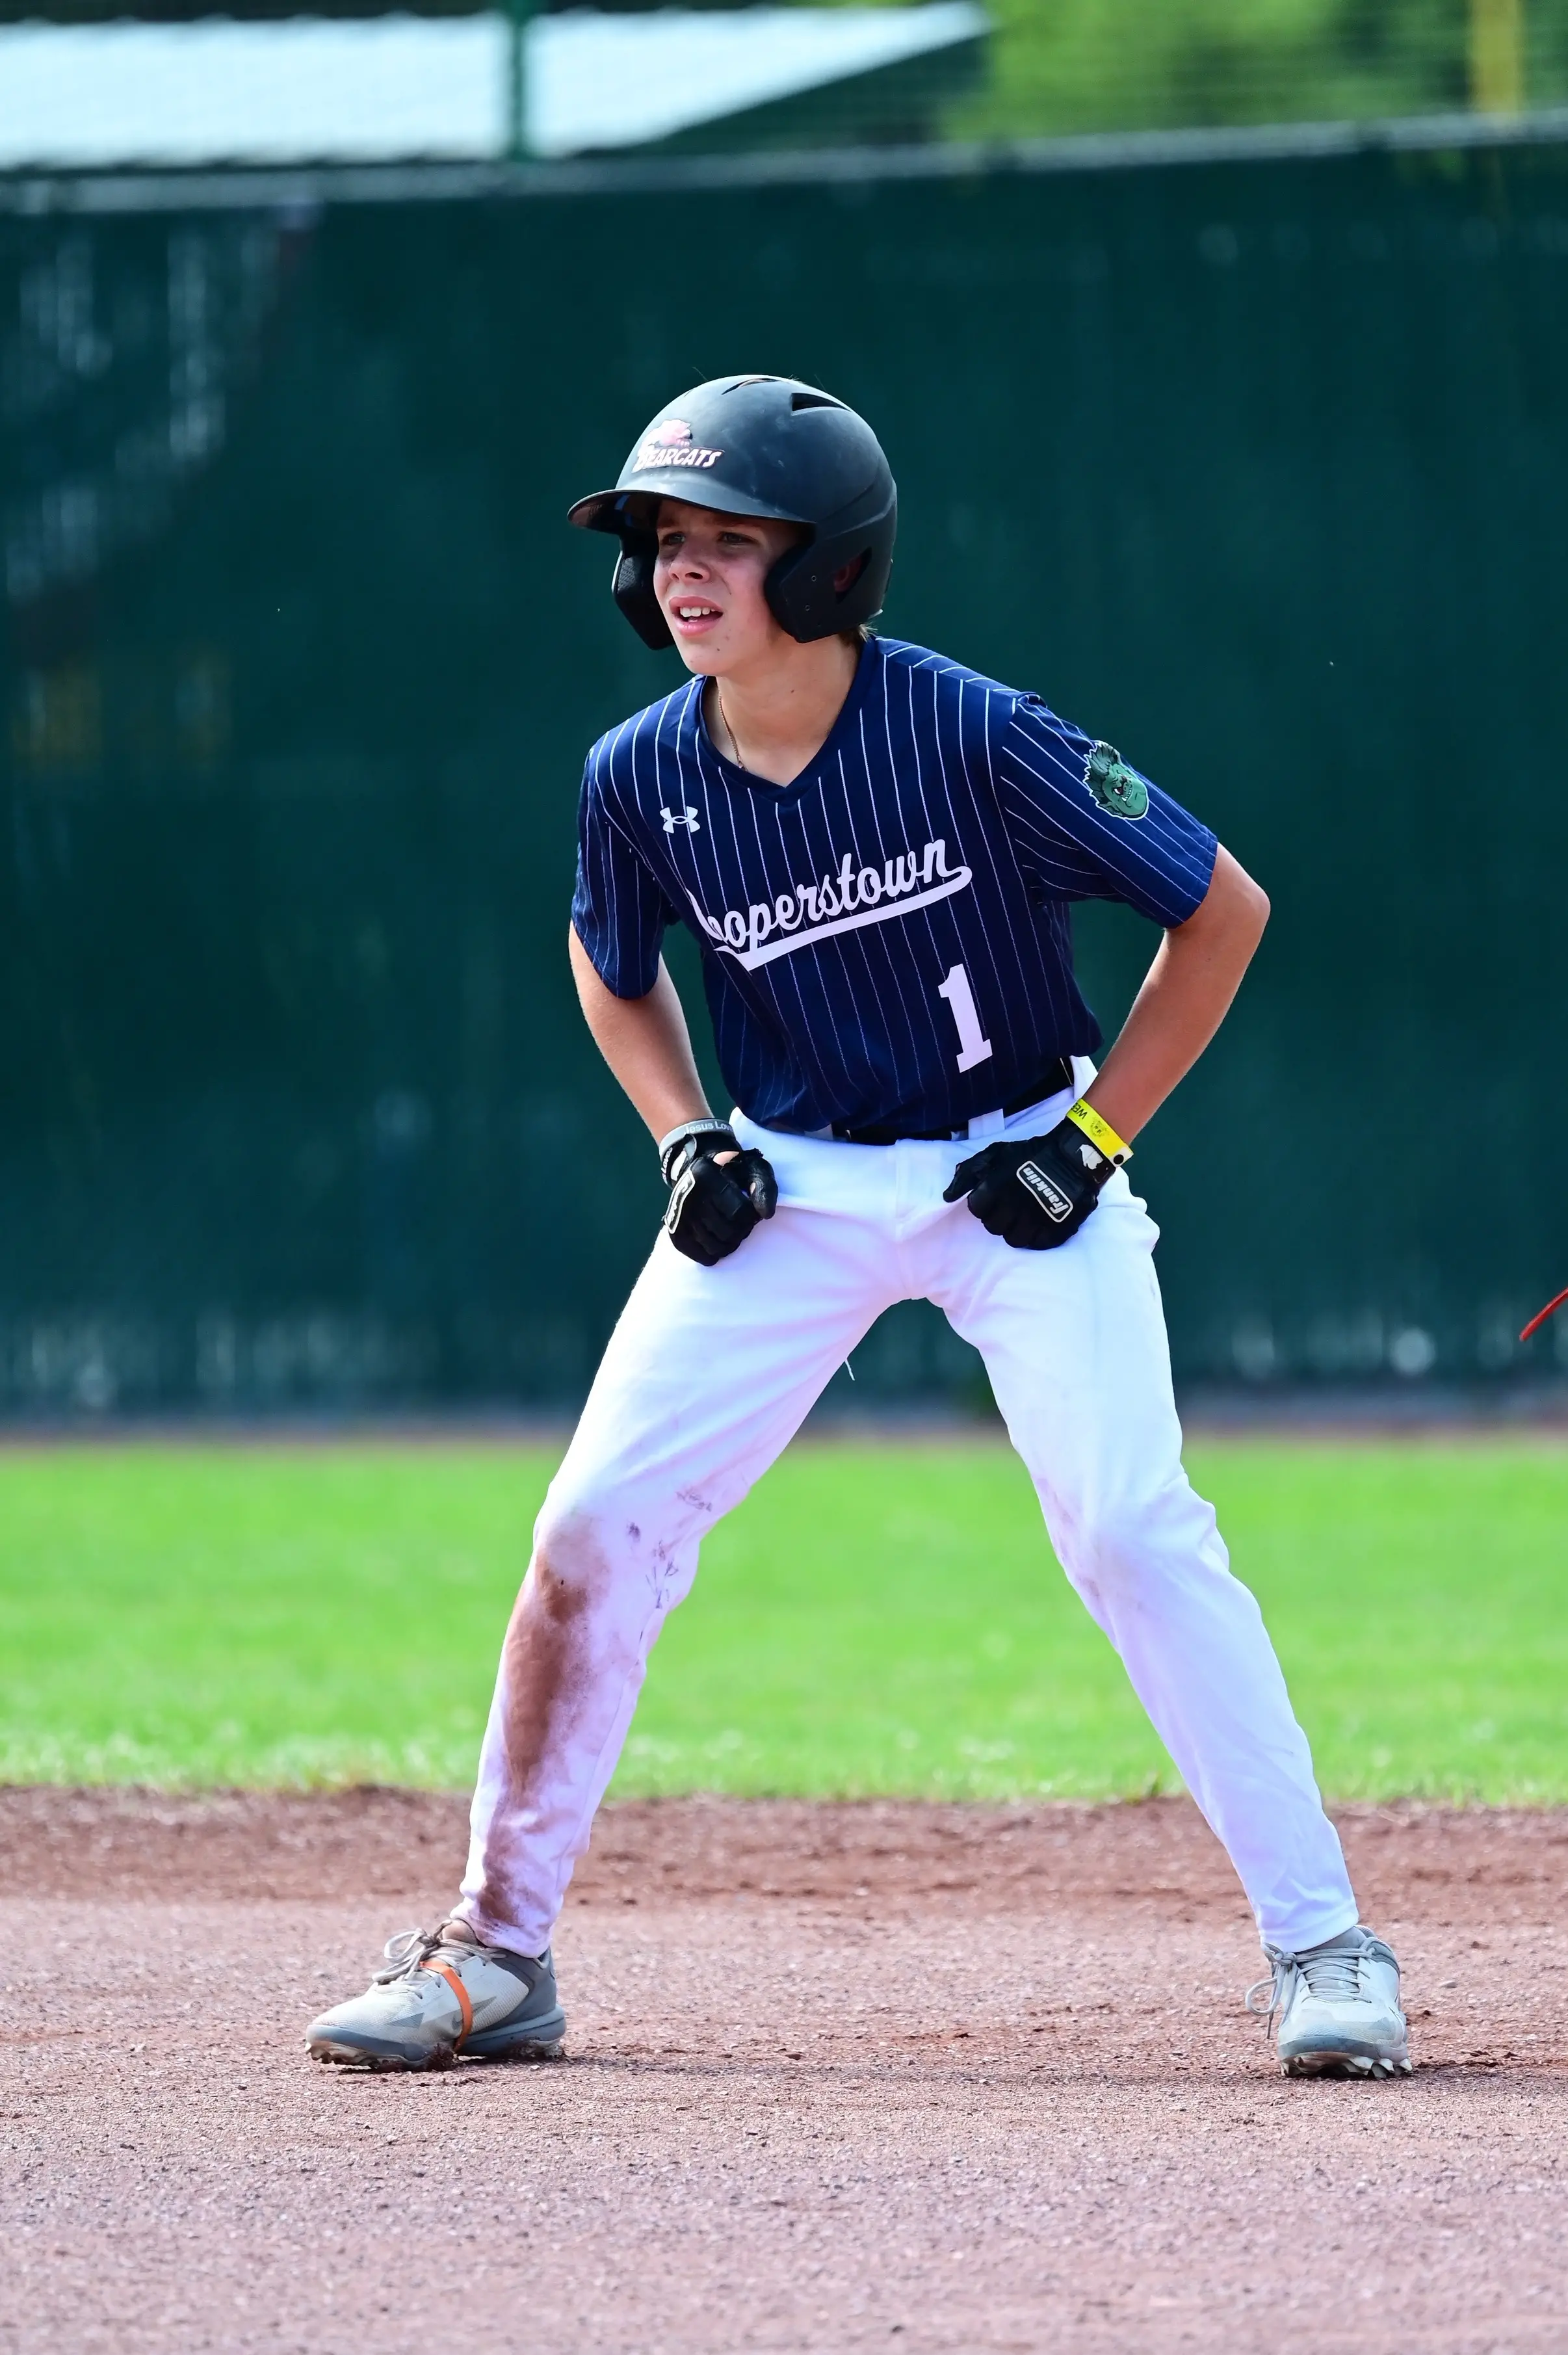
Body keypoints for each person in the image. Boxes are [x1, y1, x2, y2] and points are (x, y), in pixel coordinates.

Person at [307, 375, 1410, 2082]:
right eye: (661, 543)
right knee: (592, 1522)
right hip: (791, 1181)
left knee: (1130, 1528)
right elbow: (611, 966)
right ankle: (493, 1952)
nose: (679, 572)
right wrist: (684, 1132)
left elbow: (1221, 908)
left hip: (1014, 1171)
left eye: (726, 539)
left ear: (829, 566)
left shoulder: (975, 734)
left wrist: (1092, 1139)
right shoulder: (637, 773)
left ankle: (1325, 1943)